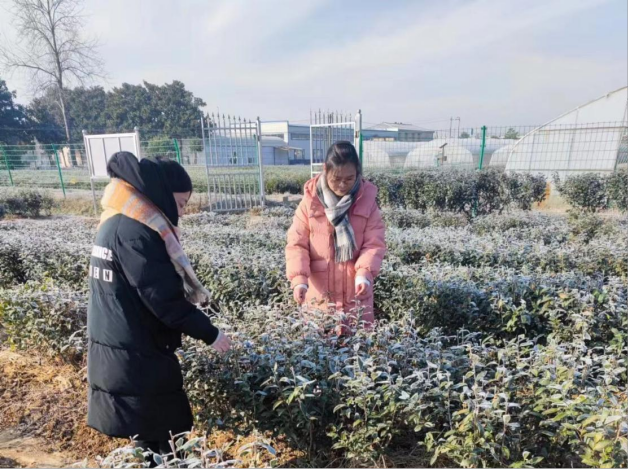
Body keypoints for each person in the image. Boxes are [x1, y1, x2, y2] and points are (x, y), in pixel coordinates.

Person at [87, 152, 231, 457]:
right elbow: (163, 299)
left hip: (128, 347)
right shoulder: (136, 233)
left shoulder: (119, 220)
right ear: (162, 194)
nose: (181, 213)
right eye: (180, 204)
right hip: (137, 352)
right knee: (165, 436)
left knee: (151, 435)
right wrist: (211, 333)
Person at [286, 141, 387, 331]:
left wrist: (364, 274)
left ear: (357, 172)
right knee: (320, 343)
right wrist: (299, 279)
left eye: (349, 179)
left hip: (356, 293)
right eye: (336, 178)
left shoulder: (367, 201)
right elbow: (297, 244)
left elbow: (374, 243)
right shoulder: (310, 203)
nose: (342, 185)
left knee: (358, 343)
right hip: (320, 297)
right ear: (325, 170)